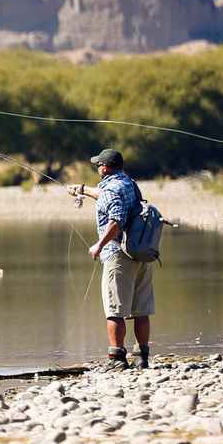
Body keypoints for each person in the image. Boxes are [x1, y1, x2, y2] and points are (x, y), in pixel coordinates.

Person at [68, 148, 154, 369]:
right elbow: (107, 196)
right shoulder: (128, 183)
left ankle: (117, 359)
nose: (97, 168)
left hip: (118, 255)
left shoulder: (111, 189)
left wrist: (99, 245)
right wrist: (83, 190)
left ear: (105, 168)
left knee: (115, 310)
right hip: (140, 252)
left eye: (98, 165)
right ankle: (142, 357)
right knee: (140, 310)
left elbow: (116, 219)